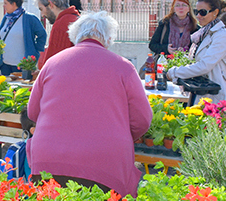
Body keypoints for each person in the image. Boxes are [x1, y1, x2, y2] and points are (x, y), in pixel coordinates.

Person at [26, 11, 152, 197]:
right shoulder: (123, 67)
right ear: (108, 38)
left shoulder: (52, 63)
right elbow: (142, 119)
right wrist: (121, 134)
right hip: (105, 162)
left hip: (48, 159)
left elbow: (32, 111)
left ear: (75, 35)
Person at [167, 0, 226, 105]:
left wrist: (175, 72)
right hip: (199, 94)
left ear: (215, 12)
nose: (198, 16)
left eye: (203, 12)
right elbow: (194, 61)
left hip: (215, 99)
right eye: (196, 11)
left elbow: (205, 66)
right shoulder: (203, 34)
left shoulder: (221, 36)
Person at [0, 0, 47, 75]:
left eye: (6, 3)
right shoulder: (7, 18)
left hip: (22, 66)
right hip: (5, 64)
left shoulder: (29, 18)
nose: (4, 6)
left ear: (14, 4)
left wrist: (35, 50)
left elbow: (42, 34)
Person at [35, 0, 79, 68]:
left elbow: (54, 64)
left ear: (50, 4)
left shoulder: (61, 24)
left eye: (41, 9)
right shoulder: (77, 19)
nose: (42, 15)